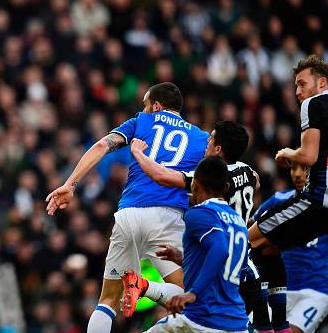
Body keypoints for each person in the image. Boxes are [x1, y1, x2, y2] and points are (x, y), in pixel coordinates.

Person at [45, 82, 209, 332]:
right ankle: (145, 286)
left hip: (128, 214)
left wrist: (70, 184)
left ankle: (141, 286)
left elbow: (102, 146)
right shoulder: (201, 138)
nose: (143, 109)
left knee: (108, 300)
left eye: (145, 104)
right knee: (191, 293)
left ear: (155, 105)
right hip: (169, 217)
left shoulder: (142, 121)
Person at [128, 121, 272, 332]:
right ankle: (145, 287)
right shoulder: (249, 172)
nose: (207, 140)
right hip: (245, 262)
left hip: (226, 264)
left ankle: (145, 287)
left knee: (198, 299)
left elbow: (160, 175)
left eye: (211, 138)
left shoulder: (205, 190)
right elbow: (256, 183)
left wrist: (138, 152)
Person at [249, 55, 328, 333]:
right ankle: (278, 324)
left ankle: (262, 322)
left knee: (249, 243)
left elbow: (308, 155)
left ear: (322, 82)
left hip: (318, 199)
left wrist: (286, 153)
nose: (297, 92)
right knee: (270, 247)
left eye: (301, 84)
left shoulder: (314, 103)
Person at [145, 157, 249, 333]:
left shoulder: (199, 213)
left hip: (203, 321)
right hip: (237, 323)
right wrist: (183, 259)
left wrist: (193, 292)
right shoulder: (238, 222)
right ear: (226, 188)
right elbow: (235, 268)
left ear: (195, 185)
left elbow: (220, 250)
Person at [253, 163, 328, 333]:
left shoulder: (324, 206)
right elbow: (250, 230)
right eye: (294, 168)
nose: (299, 174)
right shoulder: (278, 200)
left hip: (315, 291)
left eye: (305, 169)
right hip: (277, 290)